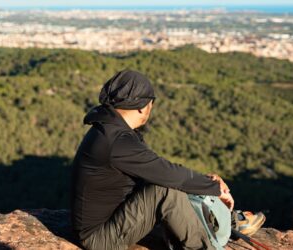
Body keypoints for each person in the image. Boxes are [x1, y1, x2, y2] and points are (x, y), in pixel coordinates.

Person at [71, 70, 262, 250]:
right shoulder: (117, 141)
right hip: (99, 239)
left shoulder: (110, 130)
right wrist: (214, 188)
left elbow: (160, 170)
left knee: (171, 183)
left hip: (113, 218)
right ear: (143, 106)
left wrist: (206, 183)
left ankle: (224, 221)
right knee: (165, 189)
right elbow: (169, 175)